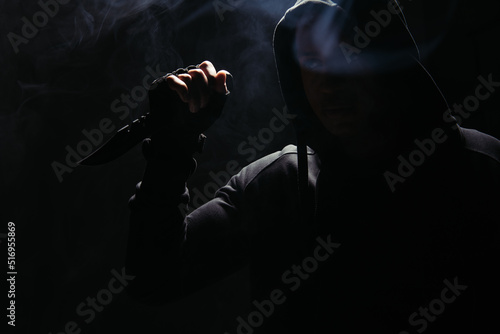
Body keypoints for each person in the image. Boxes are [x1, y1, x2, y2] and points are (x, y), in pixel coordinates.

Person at [125, 0, 500, 332]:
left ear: (391, 62)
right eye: (312, 61)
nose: (329, 81)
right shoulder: (276, 184)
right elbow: (154, 280)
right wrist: (171, 152)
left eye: (348, 54)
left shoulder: (480, 167)